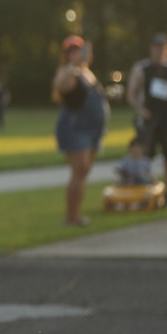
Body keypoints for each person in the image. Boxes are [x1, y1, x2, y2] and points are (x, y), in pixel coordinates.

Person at [51, 35, 110, 226]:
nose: (75, 53)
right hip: (75, 128)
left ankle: (76, 215)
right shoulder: (67, 71)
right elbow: (61, 86)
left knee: (84, 172)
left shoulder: (87, 72)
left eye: (78, 49)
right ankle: (72, 217)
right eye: (71, 51)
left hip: (93, 130)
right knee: (79, 171)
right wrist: (73, 65)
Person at [126, 33, 167, 206]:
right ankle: (148, 191)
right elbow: (131, 94)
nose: (160, 51)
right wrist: (141, 110)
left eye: (163, 48)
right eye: (157, 48)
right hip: (150, 117)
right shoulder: (142, 69)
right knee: (146, 156)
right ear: (152, 49)